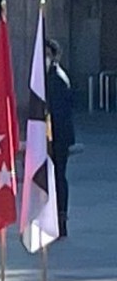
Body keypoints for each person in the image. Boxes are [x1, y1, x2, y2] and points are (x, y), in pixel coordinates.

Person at [44, 39, 77, 238]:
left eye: (46, 54)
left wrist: (47, 136)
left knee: (57, 178)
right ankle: (55, 217)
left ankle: (60, 219)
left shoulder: (56, 78)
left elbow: (55, 112)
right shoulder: (51, 76)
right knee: (54, 178)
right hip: (55, 136)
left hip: (57, 138)